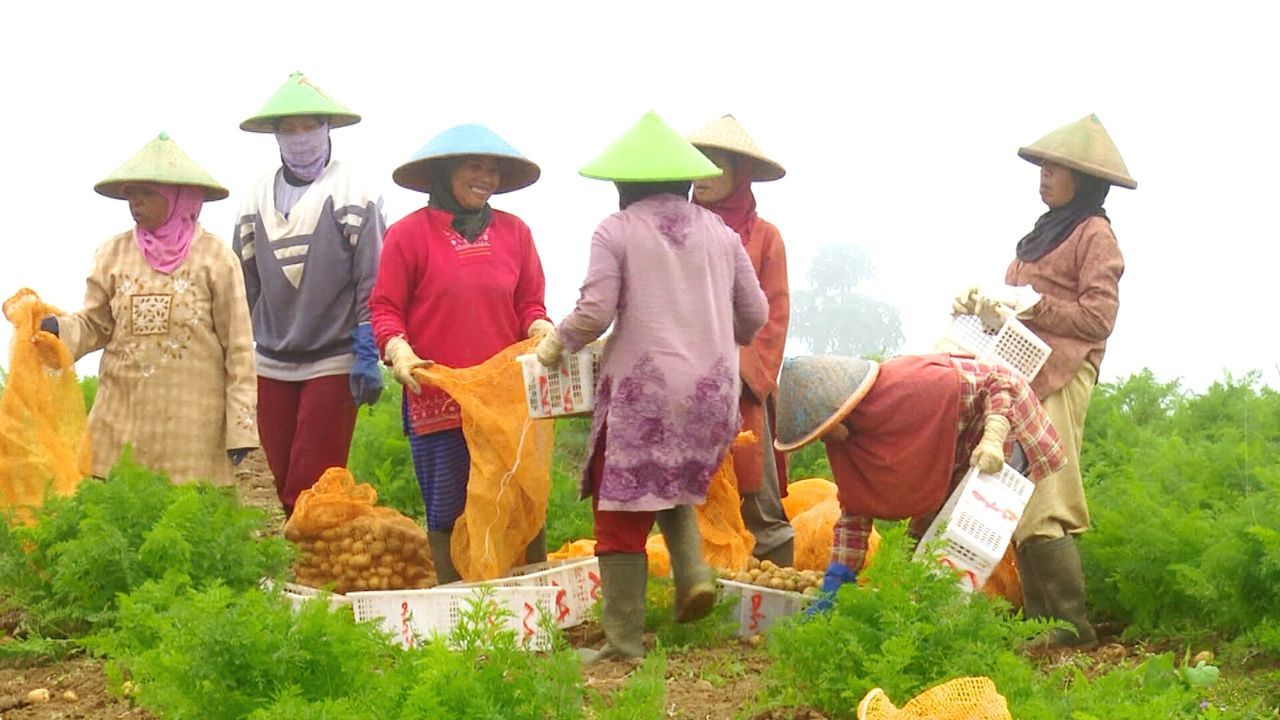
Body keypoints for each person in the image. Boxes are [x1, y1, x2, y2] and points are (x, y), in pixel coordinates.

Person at [535, 112, 769, 662]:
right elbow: (754, 314)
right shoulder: (721, 232)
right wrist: (710, 331)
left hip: (647, 394)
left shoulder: (615, 230)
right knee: (669, 480)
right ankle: (693, 574)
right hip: (713, 393)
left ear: (623, 184)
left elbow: (594, 311)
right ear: (685, 180)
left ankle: (621, 643)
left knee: (618, 512)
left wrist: (556, 344)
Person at [953, 113, 1135, 646]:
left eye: (1056, 168)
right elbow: (1018, 307)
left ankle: (1070, 627)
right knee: (1022, 494)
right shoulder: (1039, 237)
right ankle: (1042, 624)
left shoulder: (1095, 234)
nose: (1044, 175)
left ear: (1085, 178)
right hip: (1022, 376)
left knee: (1048, 496)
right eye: (1043, 166)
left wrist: (1036, 304)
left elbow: (1099, 317)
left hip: (1062, 375)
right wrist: (988, 305)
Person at [369, 124, 551, 584]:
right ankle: (459, 606)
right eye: (475, 167)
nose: (485, 177)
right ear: (446, 172)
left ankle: (531, 601)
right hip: (437, 394)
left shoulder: (515, 232)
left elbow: (529, 302)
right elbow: (385, 307)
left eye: (492, 170)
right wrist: (399, 351)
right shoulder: (408, 235)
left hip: (506, 401)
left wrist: (541, 327)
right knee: (449, 504)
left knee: (518, 497)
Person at [772, 354, 1066, 616]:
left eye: (823, 431)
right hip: (952, 454)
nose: (824, 440)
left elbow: (1001, 382)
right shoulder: (850, 442)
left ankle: (1064, 625)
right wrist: (836, 580)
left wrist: (994, 434)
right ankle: (926, 622)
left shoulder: (914, 387)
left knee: (1004, 529)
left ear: (840, 411)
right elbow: (854, 511)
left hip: (1000, 422)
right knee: (922, 547)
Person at [44, 133, 257, 484]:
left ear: (178, 196)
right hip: (122, 414)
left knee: (189, 521)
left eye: (146, 193)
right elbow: (95, 323)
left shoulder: (216, 259)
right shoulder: (112, 254)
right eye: (131, 193)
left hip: (192, 428)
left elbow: (238, 349)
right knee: (116, 513)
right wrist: (59, 331)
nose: (135, 202)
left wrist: (240, 427)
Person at [232, 72, 385, 517]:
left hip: (334, 356)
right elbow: (243, 282)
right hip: (272, 357)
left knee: (312, 473)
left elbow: (371, 277)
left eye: (309, 127)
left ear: (327, 131)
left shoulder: (353, 191)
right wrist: (237, 357)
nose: (300, 139)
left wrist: (365, 346)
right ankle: (306, 555)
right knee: (281, 469)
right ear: (276, 136)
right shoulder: (256, 196)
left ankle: (312, 563)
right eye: (289, 129)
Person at [689, 115, 795, 566]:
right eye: (696, 163)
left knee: (758, 497)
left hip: (741, 385)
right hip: (684, 382)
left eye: (715, 164)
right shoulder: (675, 228)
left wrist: (742, 371)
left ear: (739, 173)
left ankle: (781, 602)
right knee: (691, 494)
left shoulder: (766, 237)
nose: (703, 175)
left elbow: (774, 313)